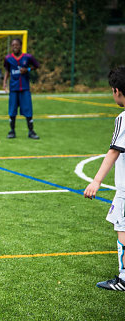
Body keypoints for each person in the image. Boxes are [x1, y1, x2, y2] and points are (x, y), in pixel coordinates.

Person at [84, 66, 125, 291]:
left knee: (123, 230)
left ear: (117, 91)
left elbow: (113, 151)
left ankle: (123, 279)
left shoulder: (123, 118)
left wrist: (96, 181)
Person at [2, 38, 40, 139]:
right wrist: (4, 83)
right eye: (13, 45)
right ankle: (12, 131)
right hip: (14, 88)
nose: (15, 47)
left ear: (21, 46)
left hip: (25, 88)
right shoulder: (8, 58)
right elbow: (7, 71)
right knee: (12, 110)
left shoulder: (27, 57)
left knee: (28, 110)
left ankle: (31, 131)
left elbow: (37, 65)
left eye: (17, 45)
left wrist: (27, 69)